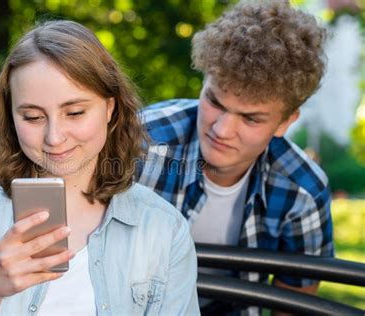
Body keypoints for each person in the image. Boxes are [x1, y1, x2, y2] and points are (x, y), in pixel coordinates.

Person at [0, 20, 199, 316]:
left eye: (74, 112)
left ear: (110, 108)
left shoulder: (164, 228)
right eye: (33, 117)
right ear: (10, 117)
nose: (54, 137)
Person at [136, 0, 334, 314]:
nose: (222, 130)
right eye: (215, 101)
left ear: (285, 122)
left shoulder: (303, 192)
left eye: (251, 118)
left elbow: (294, 306)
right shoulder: (139, 143)